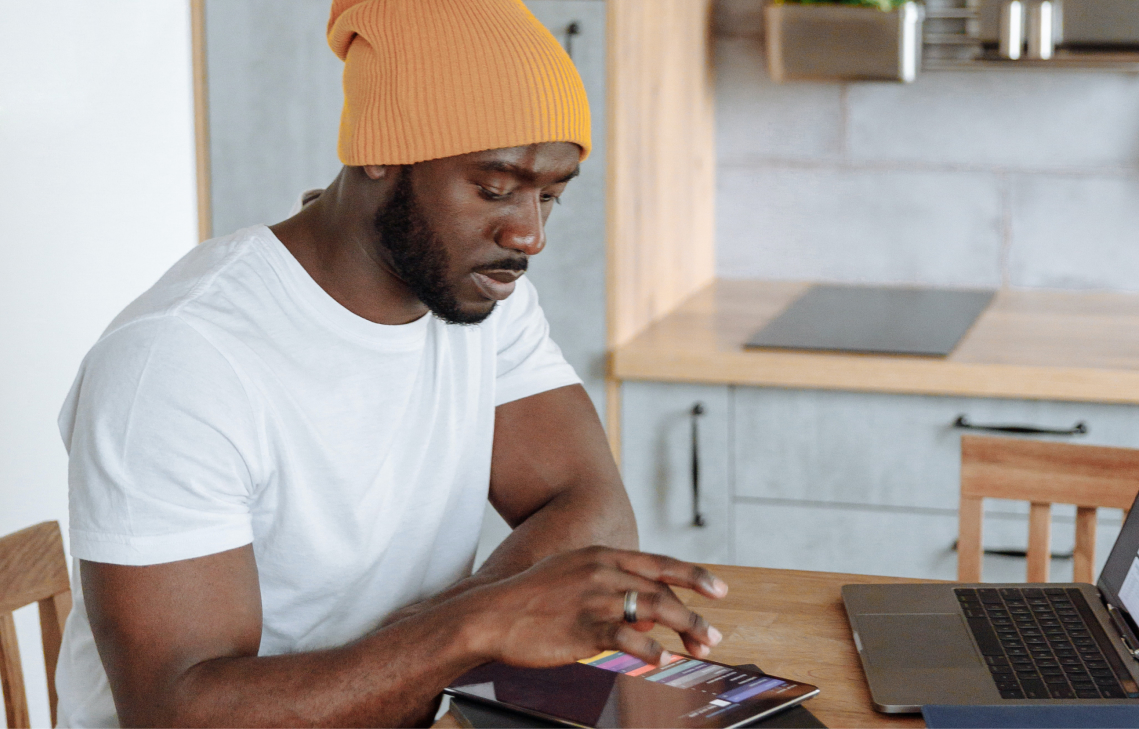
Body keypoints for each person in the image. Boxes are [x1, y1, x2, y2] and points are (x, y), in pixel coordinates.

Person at [53, 1, 727, 726]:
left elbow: (591, 509)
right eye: (494, 188)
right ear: (379, 149)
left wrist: (427, 645)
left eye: (550, 196)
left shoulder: (477, 292)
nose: (527, 235)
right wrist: (472, 629)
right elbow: (179, 714)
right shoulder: (181, 361)